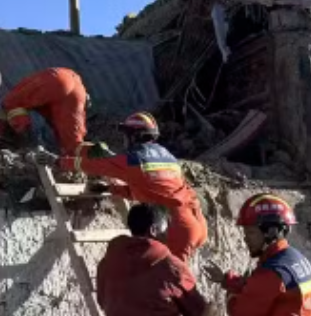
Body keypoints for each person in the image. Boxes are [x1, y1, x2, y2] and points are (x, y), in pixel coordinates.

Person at [58, 111, 207, 262]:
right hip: (197, 221)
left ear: (134, 136)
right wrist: (111, 189)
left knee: (169, 281)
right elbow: (151, 191)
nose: (124, 140)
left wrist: (60, 162)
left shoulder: (135, 160)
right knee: (169, 278)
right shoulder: (168, 157)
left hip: (178, 228)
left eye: (126, 135)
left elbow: (96, 165)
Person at [0, 67, 88, 155]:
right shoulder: (71, 103)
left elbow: (6, 106)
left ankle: (25, 142)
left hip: (56, 75)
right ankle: (95, 160)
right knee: (73, 143)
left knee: (11, 104)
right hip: (75, 88)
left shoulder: (16, 96)